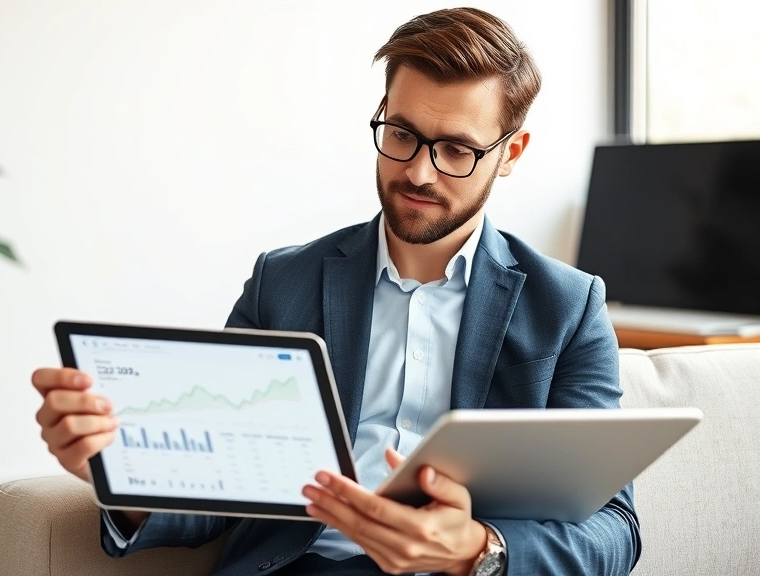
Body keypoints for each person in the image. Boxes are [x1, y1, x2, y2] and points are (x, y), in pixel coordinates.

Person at [32, 7, 641, 575]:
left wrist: (477, 551)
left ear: (510, 153)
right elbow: (220, 488)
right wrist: (120, 475)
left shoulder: (568, 306)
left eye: (456, 149)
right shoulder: (283, 282)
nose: (419, 172)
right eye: (401, 134)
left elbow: (615, 527)